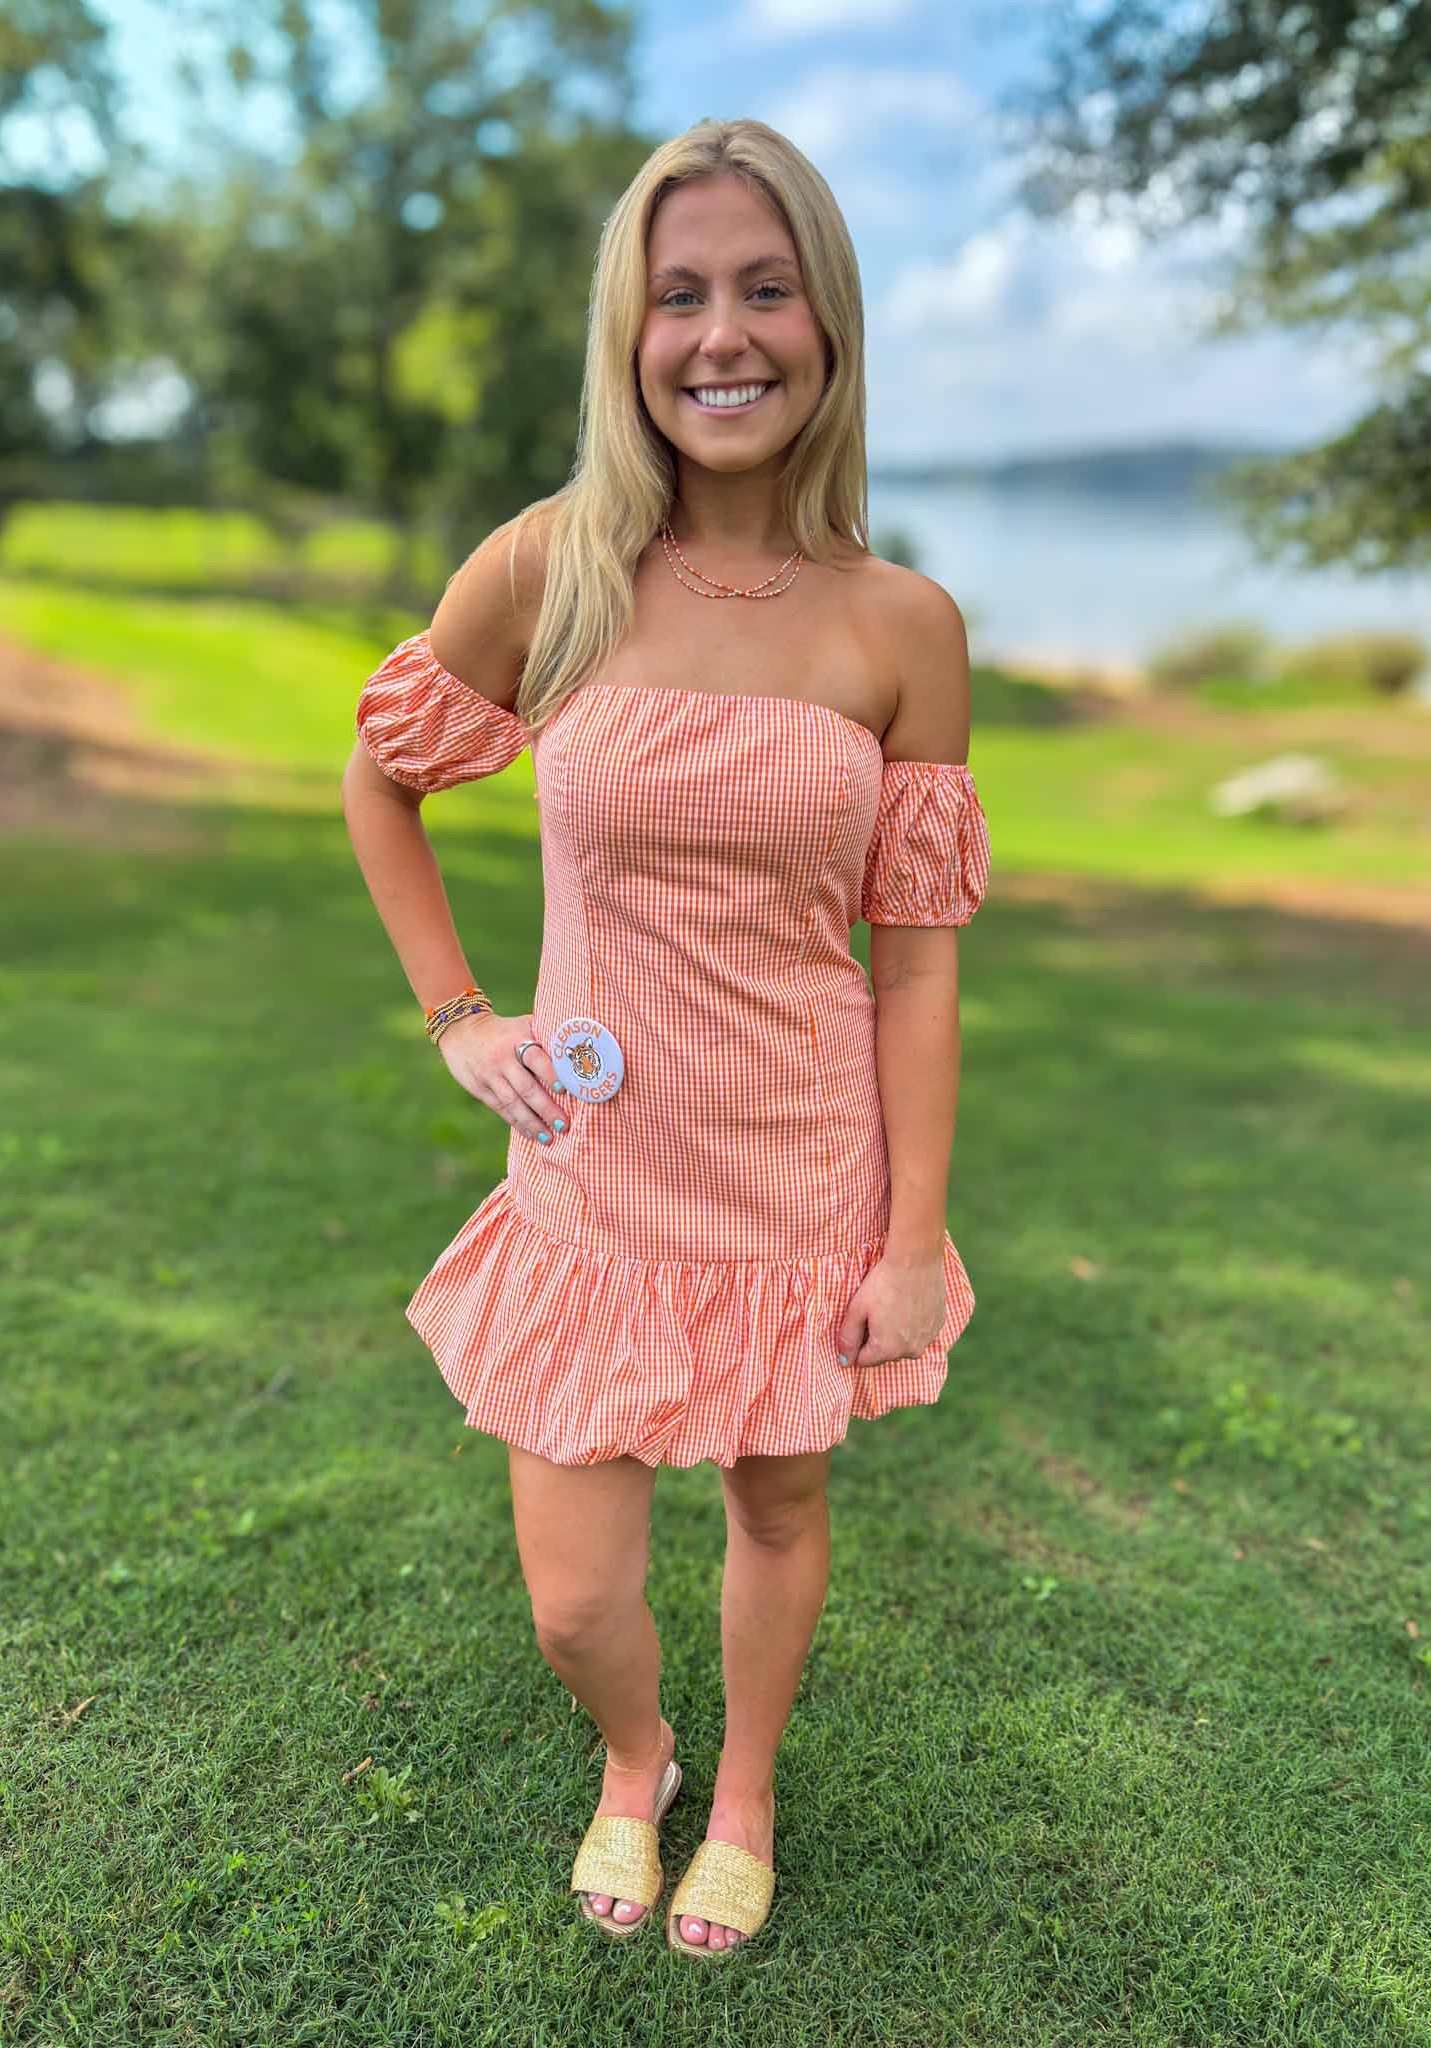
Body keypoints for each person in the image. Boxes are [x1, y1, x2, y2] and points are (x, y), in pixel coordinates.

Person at [340, 116, 991, 1960]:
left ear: (826, 323)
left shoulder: (902, 624)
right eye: (678, 292)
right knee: (572, 1597)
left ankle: (747, 1795)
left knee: (778, 1505)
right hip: (598, 1175)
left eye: (764, 290)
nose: (722, 335)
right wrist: (460, 1015)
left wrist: (912, 1239)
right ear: (627, 333)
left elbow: (916, 968)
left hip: (801, 1169)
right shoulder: (550, 568)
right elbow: (381, 781)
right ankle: (637, 1757)